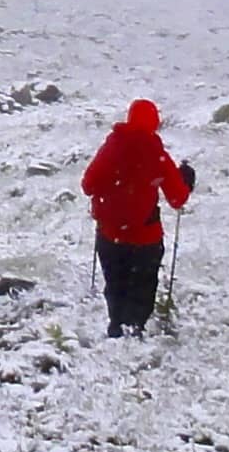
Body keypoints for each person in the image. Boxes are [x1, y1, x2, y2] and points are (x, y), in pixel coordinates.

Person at [81, 98, 196, 335]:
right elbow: (177, 199)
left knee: (116, 287)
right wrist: (186, 180)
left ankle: (116, 328)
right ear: (154, 122)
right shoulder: (156, 152)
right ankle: (136, 331)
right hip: (146, 239)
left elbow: (88, 185)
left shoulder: (113, 146)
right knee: (142, 290)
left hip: (110, 235)